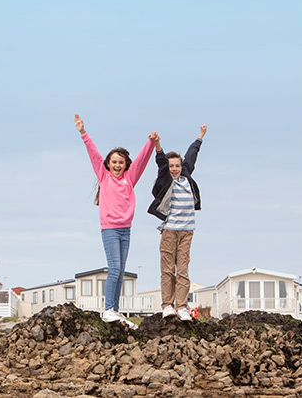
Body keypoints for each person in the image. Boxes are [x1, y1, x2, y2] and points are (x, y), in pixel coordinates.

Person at [75, 114, 158, 329]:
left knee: (121, 270)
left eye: (121, 162)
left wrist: (150, 143)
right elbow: (93, 154)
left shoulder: (130, 178)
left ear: (125, 165)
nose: (118, 165)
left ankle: (115, 311)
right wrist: (84, 133)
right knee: (115, 268)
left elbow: (141, 160)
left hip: (125, 230)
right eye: (114, 162)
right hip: (110, 229)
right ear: (108, 164)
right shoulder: (104, 176)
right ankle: (108, 310)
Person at [148, 125, 207, 321]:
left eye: (177, 165)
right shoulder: (166, 179)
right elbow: (161, 163)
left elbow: (192, 155)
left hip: (187, 231)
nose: (174, 169)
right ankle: (167, 305)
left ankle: (181, 306)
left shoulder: (186, 177)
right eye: (171, 166)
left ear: (182, 167)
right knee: (167, 270)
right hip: (169, 231)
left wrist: (199, 137)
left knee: (182, 270)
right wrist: (157, 144)